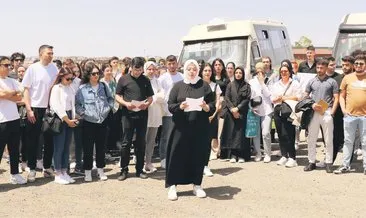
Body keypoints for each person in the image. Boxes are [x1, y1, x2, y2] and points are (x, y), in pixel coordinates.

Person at [165, 59, 215, 201]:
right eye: (189, 69)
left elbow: (212, 104)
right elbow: (170, 105)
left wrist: (207, 108)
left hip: (199, 128)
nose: (191, 72)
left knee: (197, 155)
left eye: (194, 69)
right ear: (185, 70)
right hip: (180, 127)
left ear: (197, 70)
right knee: (177, 154)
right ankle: (172, 186)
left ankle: (197, 185)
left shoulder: (204, 86)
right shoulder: (178, 86)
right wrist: (180, 107)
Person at [21, 45, 58, 182]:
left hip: (49, 108)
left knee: (49, 140)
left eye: (52, 53)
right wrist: (29, 109)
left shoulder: (54, 68)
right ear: (41, 54)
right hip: (35, 108)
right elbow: (26, 90)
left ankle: (47, 167)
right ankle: (31, 168)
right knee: (33, 140)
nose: (51, 55)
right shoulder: (33, 68)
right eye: (49, 53)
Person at [115, 57, 153, 181]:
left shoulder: (146, 79)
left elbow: (150, 97)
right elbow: (117, 96)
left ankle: (139, 169)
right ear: (131, 67)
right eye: (136, 70)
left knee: (141, 143)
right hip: (128, 115)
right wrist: (126, 104)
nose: (138, 72)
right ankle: (124, 170)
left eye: (140, 70)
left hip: (142, 115)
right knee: (126, 142)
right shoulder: (123, 79)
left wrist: (146, 104)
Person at [75, 62, 114, 182]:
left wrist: (108, 109)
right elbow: (77, 104)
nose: (96, 76)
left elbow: (110, 99)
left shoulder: (103, 86)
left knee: (101, 147)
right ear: (88, 75)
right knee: (87, 147)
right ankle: (87, 171)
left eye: (97, 73)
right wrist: (84, 114)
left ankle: (100, 170)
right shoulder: (82, 89)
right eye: (93, 74)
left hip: (103, 121)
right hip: (88, 122)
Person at [303, 59, 339, 173]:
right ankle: (311, 162)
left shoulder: (332, 82)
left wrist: (332, 113)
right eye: (317, 67)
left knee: (328, 139)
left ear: (326, 68)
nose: (319, 70)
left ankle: (328, 163)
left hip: (326, 112)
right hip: (313, 112)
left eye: (321, 68)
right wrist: (312, 104)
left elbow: (336, 98)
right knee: (311, 138)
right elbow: (305, 95)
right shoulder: (311, 81)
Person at [334, 54, 366, 174]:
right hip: (349, 116)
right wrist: (343, 110)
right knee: (348, 141)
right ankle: (345, 165)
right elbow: (342, 96)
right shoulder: (347, 78)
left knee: (365, 141)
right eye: (356, 63)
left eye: (361, 63)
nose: (358, 66)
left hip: (364, 117)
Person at [0, 56, 27, 184]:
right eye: (5, 65)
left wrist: (7, 94)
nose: (9, 67)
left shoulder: (11, 81)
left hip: (14, 119)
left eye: (9, 65)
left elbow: (20, 96)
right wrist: (11, 93)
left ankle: (15, 174)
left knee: (15, 149)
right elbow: (2, 95)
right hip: (1, 121)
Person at [49, 68, 78, 184]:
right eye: (68, 78)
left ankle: (64, 171)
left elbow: (72, 104)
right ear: (61, 77)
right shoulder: (57, 88)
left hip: (70, 116)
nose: (70, 81)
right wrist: (67, 119)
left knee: (67, 146)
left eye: (72, 78)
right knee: (59, 147)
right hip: (60, 118)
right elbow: (56, 105)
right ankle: (57, 172)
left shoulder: (70, 87)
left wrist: (73, 119)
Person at [271, 65, 301, 167]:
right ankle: (284, 155)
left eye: (286, 71)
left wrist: (284, 98)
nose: (284, 73)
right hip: (278, 110)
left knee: (289, 134)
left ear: (289, 72)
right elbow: (273, 98)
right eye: (282, 71)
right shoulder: (276, 84)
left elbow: (298, 97)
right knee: (280, 134)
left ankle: (292, 157)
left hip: (289, 111)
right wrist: (278, 99)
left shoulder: (294, 83)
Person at [220, 67, 251, 163]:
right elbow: (227, 98)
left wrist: (238, 108)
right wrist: (232, 109)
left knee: (241, 135)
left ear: (243, 74)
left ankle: (241, 156)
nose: (238, 74)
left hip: (242, 113)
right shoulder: (230, 85)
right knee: (232, 134)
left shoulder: (246, 85)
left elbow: (247, 99)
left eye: (240, 73)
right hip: (231, 114)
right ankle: (233, 155)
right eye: (236, 72)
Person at [157, 55, 184, 168]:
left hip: (180, 110)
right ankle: (163, 157)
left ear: (177, 64)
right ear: (166, 64)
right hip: (167, 111)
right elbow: (159, 94)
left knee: (180, 135)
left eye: (174, 64)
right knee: (166, 135)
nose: (172, 66)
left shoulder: (182, 77)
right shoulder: (162, 78)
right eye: (169, 64)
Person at [249, 62, 274, 163]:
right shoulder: (251, 82)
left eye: (261, 71)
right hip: (256, 109)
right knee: (256, 133)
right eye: (258, 71)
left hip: (267, 109)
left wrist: (262, 83)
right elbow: (250, 96)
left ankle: (267, 154)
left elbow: (269, 95)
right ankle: (258, 153)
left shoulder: (269, 80)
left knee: (266, 132)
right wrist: (251, 107)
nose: (259, 73)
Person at [201, 63, 222, 175]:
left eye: (209, 70)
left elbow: (217, 103)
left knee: (207, 142)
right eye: (205, 70)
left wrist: (213, 115)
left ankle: (205, 165)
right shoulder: (197, 84)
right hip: (198, 117)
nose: (207, 72)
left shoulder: (215, 86)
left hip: (211, 116)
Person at [144, 61, 164, 173]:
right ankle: (141, 162)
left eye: (153, 69)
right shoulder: (142, 81)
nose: (151, 71)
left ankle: (148, 162)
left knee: (151, 140)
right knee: (143, 140)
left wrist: (153, 97)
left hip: (155, 113)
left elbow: (162, 96)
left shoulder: (157, 81)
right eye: (149, 69)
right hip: (145, 113)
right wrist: (155, 97)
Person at [100, 63, 119, 157]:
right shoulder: (101, 82)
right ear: (103, 72)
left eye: (110, 70)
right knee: (105, 131)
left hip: (114, 109)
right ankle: (104, 151)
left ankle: (110, 150)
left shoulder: (113, 81)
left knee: (112, 130)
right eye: (107, 71)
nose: (109, 72)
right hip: (104, 110)